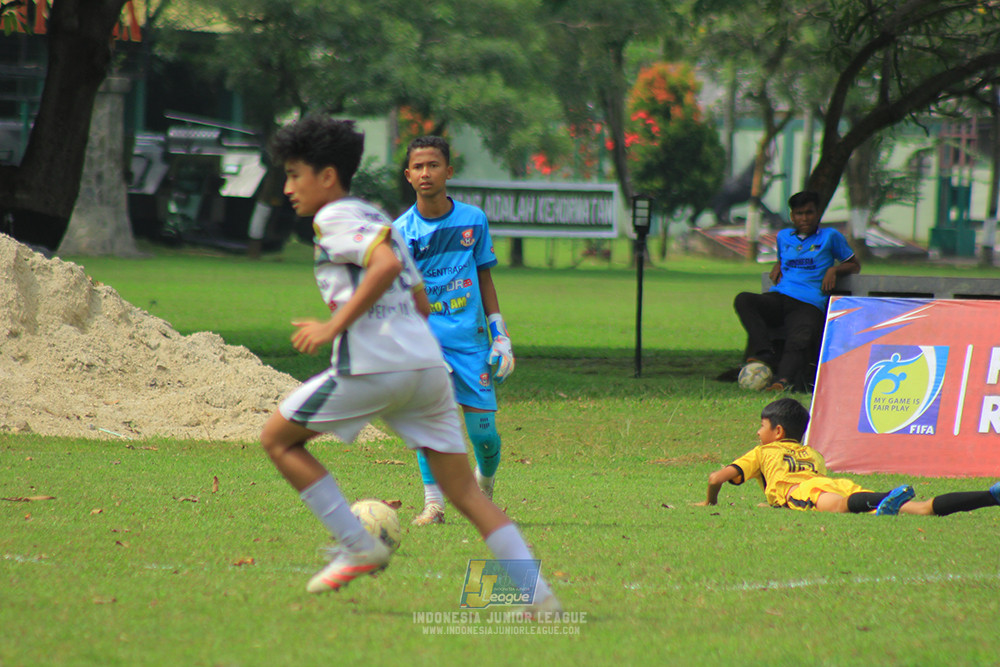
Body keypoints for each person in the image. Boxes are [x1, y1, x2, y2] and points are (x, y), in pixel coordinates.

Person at [259, 116, 560, 617]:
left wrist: (335, 328)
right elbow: (419, 301)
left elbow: (387, 268)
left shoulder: (334, 218)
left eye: (295, 174)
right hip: (426, 368)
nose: (288, 187)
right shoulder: (378, 220)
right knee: (465, 492)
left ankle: (358, 544)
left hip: (378, 367)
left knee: (276, 439)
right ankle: (540, 599)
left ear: (327, 176)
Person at [393, 136, 513, 526]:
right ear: (408, 175)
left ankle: (485, 482)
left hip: (471, 343)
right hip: (426, 344)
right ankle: (434, 504)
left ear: (448, 170)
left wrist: (500, 334)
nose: (426, 173)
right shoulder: (400, 232)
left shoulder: (473, 220)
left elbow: (485, 277)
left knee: (484, 435)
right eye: (418, 167)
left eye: (433, 165)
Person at [696, 397, 1000, 516]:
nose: (757, 433)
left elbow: (715, 477)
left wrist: (710, 501)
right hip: (836, 482)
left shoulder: (763, 451)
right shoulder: (812, 452)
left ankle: (886, 497)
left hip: (804, 491)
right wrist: (771, 500)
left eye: (761, 427)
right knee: (920, 509)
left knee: (839, 508)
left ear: (776, 431)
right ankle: (990, 496)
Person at [733, 191, 861, 392]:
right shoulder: (784, 236)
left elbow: (854, 265)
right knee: (744, 300)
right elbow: (787, 257)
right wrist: (779, 263)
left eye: (809, 213)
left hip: (809, 303)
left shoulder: (830, 237)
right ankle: (763, 352)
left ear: (817, 214)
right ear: (792, 216)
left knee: (799, 338)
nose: (804, 218)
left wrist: (834, 269)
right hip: (779, 297)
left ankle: (782, 381)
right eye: (799, 213)